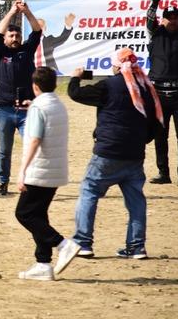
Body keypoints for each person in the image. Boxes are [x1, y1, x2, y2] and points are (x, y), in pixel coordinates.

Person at [67, 48, 163, 260]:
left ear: (117, 66)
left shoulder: (110, 85)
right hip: (135, 154)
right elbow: (157, 123)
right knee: (136, 200)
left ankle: (83, 242)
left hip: (108, 152)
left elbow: (76, 94)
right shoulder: (147, 88)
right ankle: (137, 247)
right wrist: (140, 140)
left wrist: (75, 78)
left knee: (89, 191)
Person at [15, 66, 80, 281]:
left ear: (35, 86)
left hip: (39, 170)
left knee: (24, 214)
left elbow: (34, 139)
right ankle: (43, 263)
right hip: (55, 171)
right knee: (39, 215)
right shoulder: (57, 105)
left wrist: (22, 170)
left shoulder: (38, 108)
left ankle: (63, 244)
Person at [0, 0, 41, 196]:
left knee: (29, 148)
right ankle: (2, 183)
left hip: (25, 110)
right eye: (11, 35)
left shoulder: (26, 51)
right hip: (3, 110)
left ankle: (28, 182)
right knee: (5, 150)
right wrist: (12, 12)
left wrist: (27, 12)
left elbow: (37, 32)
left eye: (17, 35)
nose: (15, 38)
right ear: (5, 39)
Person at [146, 0, 178, 185]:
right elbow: (150, 16)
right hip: (158, 93)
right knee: (160, 135)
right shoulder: (154, 34)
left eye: (175, 17)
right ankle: (163, 173)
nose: (173, 21)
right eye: (169, 18)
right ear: (163, 19)